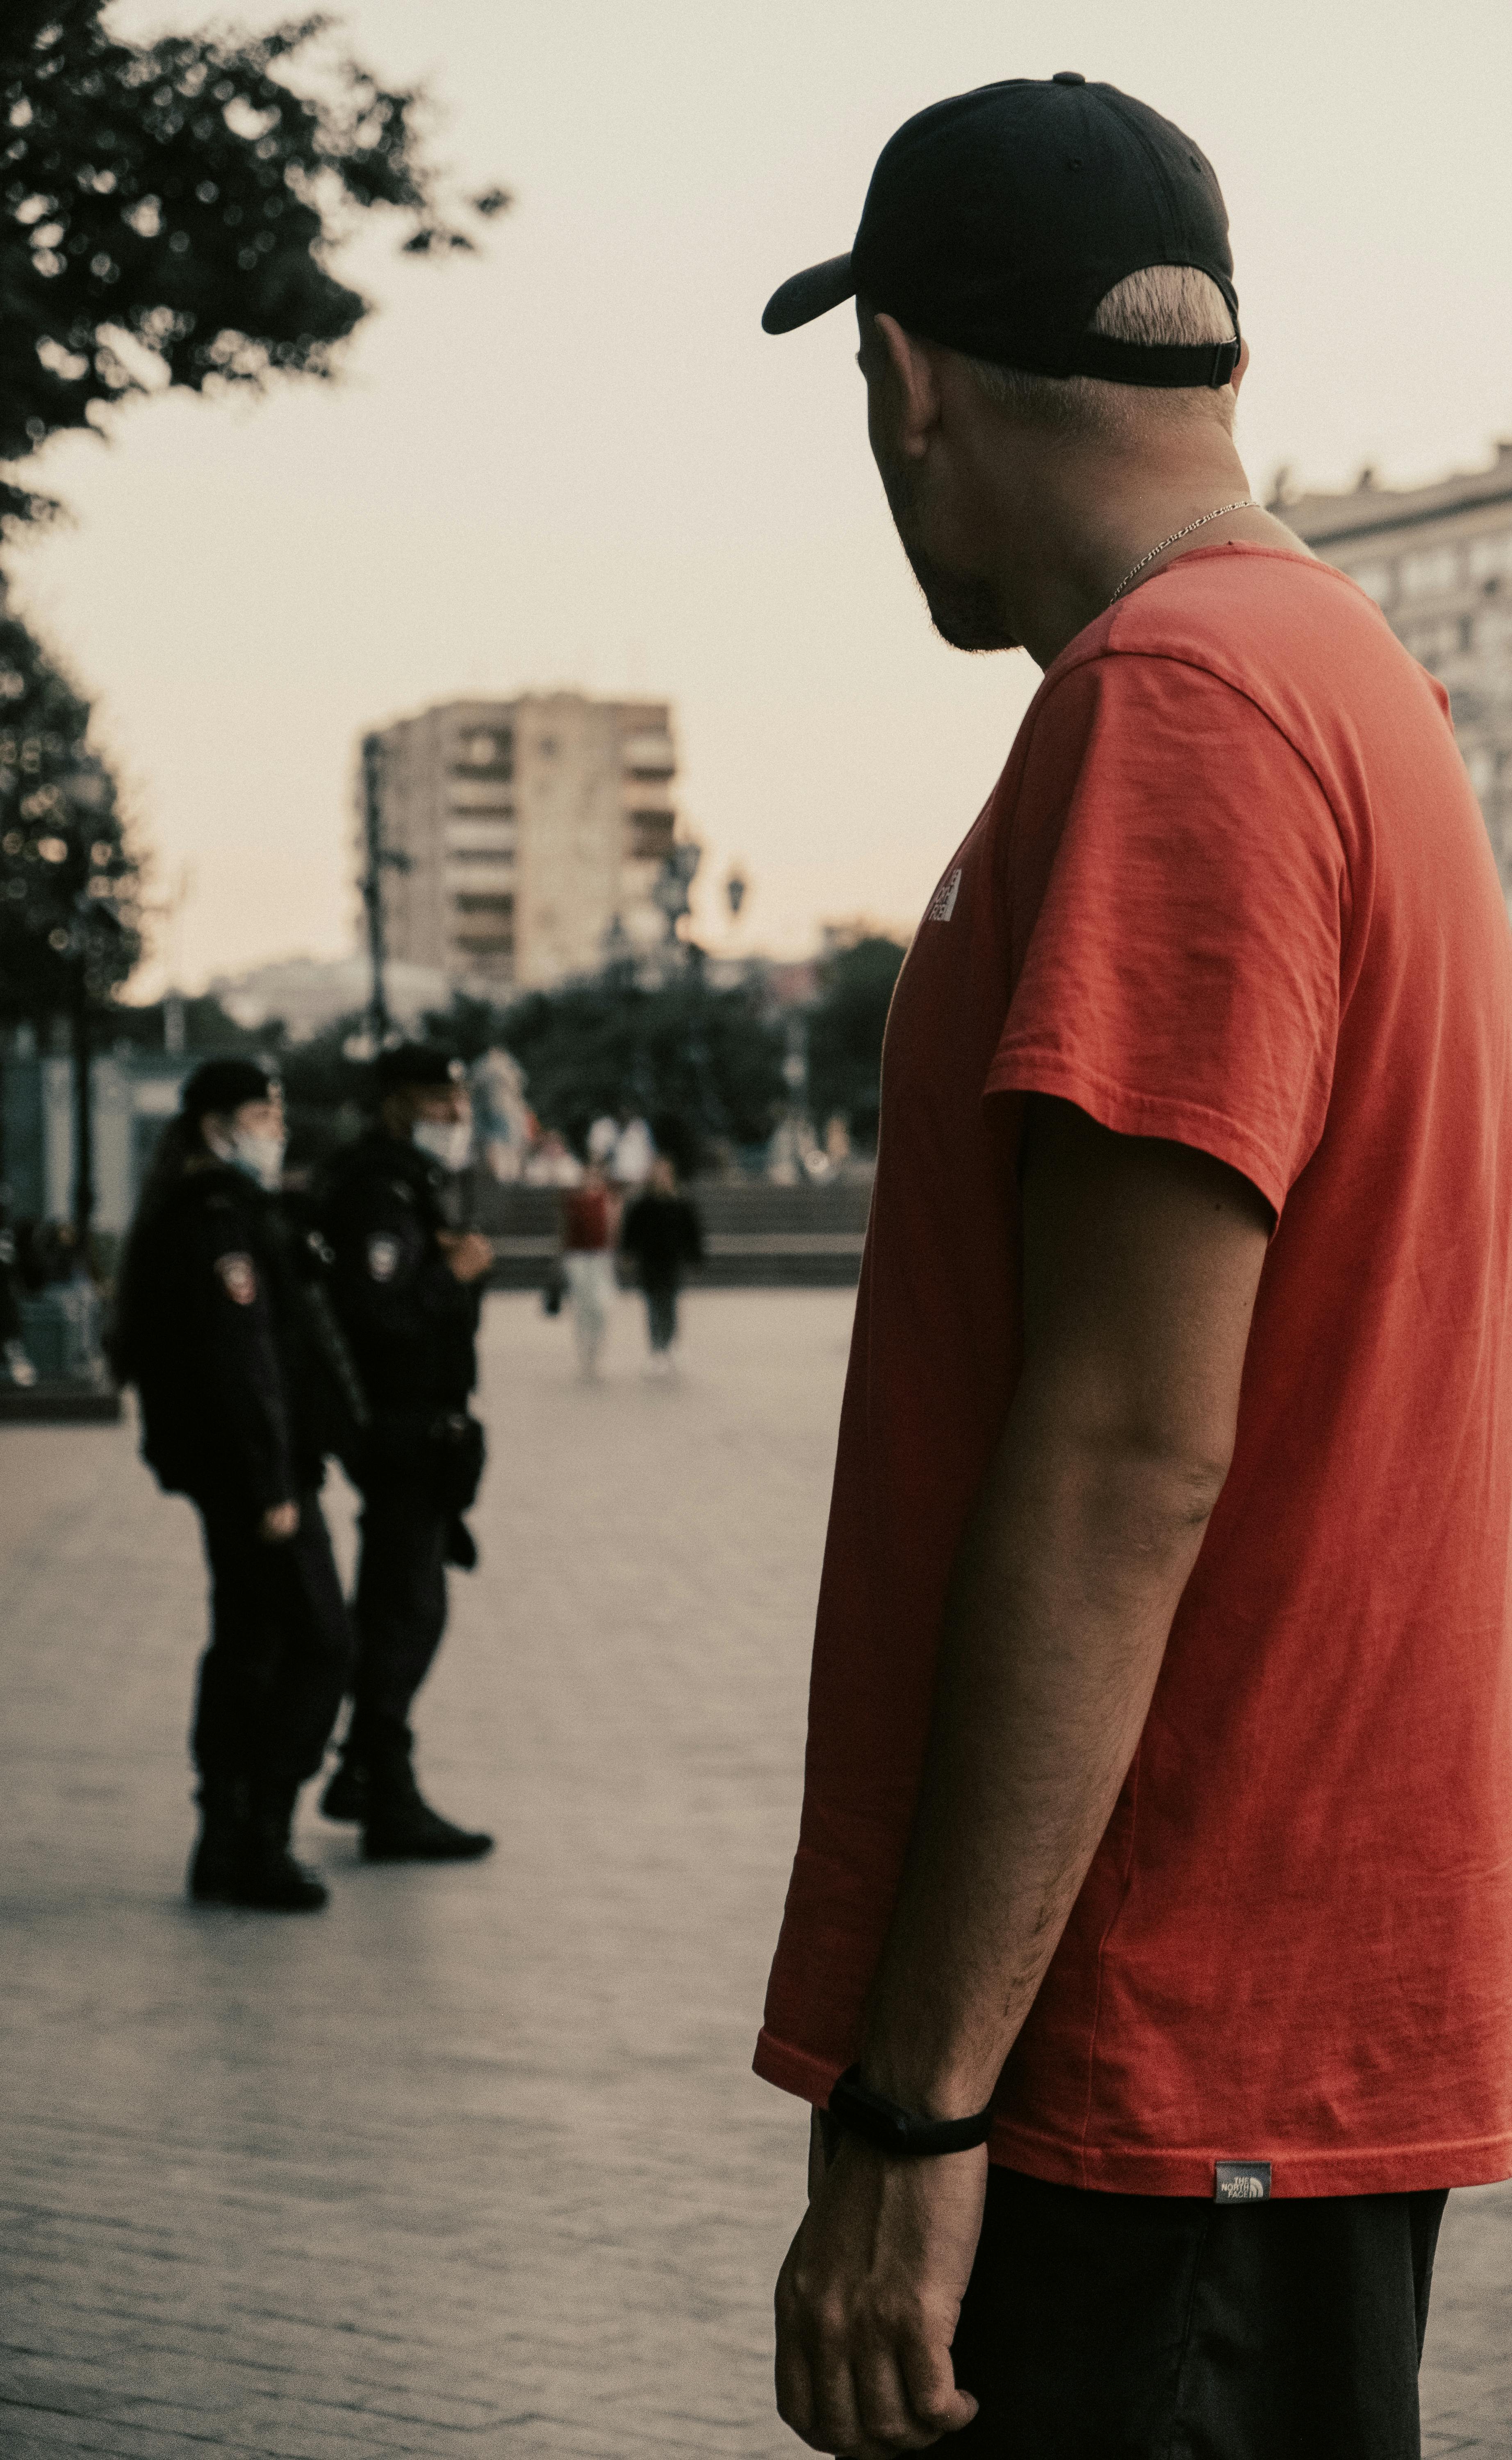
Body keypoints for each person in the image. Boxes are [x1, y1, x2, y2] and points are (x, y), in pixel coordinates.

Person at [755, 75, 1512, 2459]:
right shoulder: (1326, 681)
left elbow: (1119, 1449)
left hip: (1148, 2055)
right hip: (1232, 2049)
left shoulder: (1174, 707)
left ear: (899, 374)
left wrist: (910, 2117)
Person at [110, 1057, 356, 1911]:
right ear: (218, 1125)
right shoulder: (215, 1220)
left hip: (242, 1472)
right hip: (258, 1477)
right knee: (321, 1640)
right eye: (261, 1113)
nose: (274, 1128)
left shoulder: (204, 1209)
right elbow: (239, 1361)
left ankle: (226, 1837)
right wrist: (270, 1485)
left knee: (249, 1644)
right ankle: (261, 1836)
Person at [317, 1045, 495, 1861]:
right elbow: (379, 1315)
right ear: (403, 1106)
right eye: (444, 1105)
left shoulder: (404, 1186)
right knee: (406, 1606)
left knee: (400, 1599)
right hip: (395, 1427)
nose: (458, 1119)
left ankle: (364, 1768)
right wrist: (452, 1274)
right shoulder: (379, 1191)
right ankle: (382, 1787)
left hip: (416, 1427)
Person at [619, 1156, 704, 1368]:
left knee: (670, 1304)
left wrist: (695, 1258)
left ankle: (669, 1344)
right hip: (649, 1261)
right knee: (652, 1305)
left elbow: (692, 1233)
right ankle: (656, 1348)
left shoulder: (681, 1204)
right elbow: (631, 1232)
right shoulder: (642, 1205)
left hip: (672, 1261)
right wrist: (628, 1253)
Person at [558, 1160, 618, 1378]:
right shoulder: (573, 1201)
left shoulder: (607, 1199)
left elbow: (612, 1228)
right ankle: (585, 1351)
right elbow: (565, 1231)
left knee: (601, 1306)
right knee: (581, 1305)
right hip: (577, 1257)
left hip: (601, 1257)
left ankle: (596, 1347)